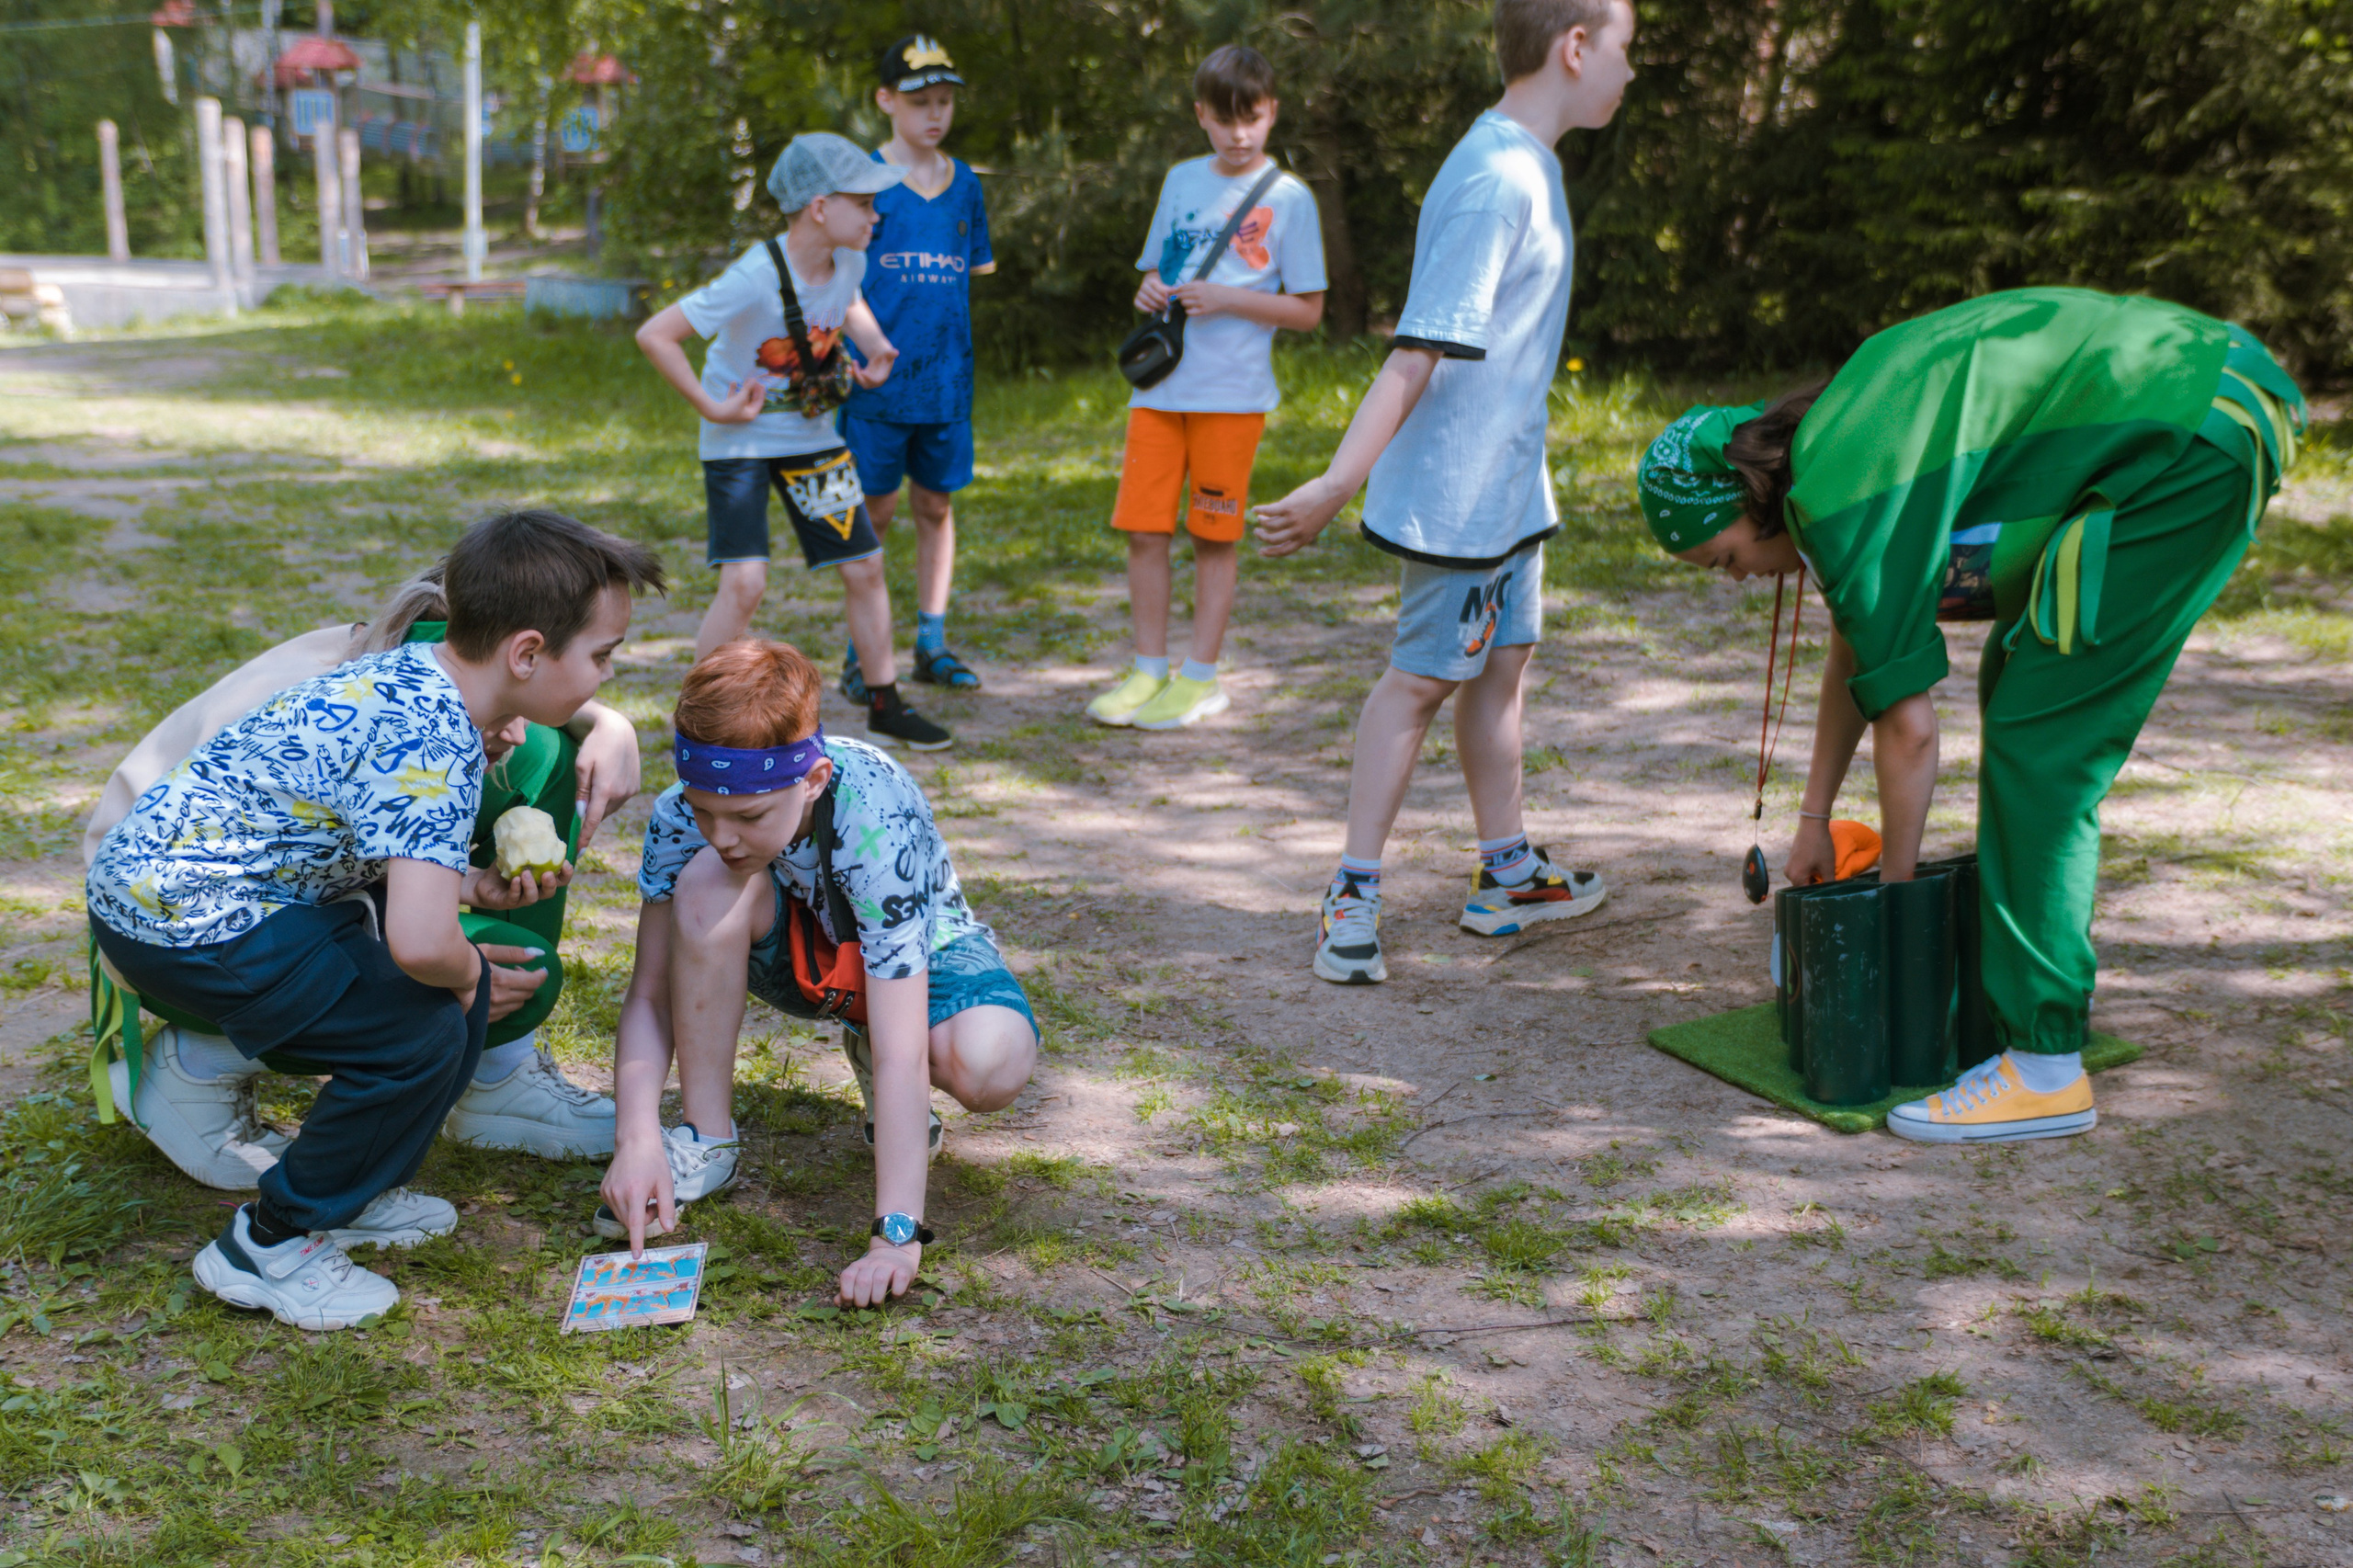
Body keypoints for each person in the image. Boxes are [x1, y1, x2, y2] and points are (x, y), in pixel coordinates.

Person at [1640, 286, 2303, 1143]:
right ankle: (2026, 999)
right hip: (2202, 389)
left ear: (1748, 497)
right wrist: (1813, 822)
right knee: (2020, 669)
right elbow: (1859, 651)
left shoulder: (1841, 494)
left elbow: (1909, 731)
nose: (1736, 578)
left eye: (1723, 558)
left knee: (2041, 738)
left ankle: (2045, 1067)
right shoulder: (1843, 447)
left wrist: (1894, 904)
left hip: (2189, 428)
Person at [86, 512, 665, 1330]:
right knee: (421, 1029)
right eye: (603, 656)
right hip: (183, 920)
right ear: (528, 653)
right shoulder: (432, 737)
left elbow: (369, 842)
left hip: (181, 894)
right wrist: (468, 973)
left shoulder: (417, 681)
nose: (606, 677)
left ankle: (346, 1194)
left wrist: (468, 888)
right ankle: (267, 1243)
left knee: (429, 1012)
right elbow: (423, 945)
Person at [1253, 0, 1633, 982]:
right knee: (1421, 681)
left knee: (1503, 667)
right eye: (1625, 50)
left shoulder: (1530, 163)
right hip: (1459, 498)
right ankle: (1352, 889)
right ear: (1576, 46)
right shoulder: (1493, 177)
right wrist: (1340, 479)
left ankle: (1505, 868)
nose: (1631, 72)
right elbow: (1415, 349)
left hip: (1509, 486)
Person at [596, 640, 1037, 1307]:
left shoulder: (873, 818)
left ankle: (868, 1053)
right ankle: (707, 1138)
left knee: (990, 1064)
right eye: (703, 807)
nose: (722, 833)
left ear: (813, 780)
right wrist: (635, 1140)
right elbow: (650, 996)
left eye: (747, 816)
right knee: (707, 882)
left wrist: (896, 1235)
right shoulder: (685, 822)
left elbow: (902, 1050)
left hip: (922, 957)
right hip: (804, 952)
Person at [636, 131, 955, 753]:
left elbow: (847, 301)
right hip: (740, 446)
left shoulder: (852, 261)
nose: (875, 214)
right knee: (746, 583)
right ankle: (701, 719)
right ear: (819, 207)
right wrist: (711, 407)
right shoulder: (753, 277)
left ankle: (884, 701)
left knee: (864, 565)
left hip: (810, 439)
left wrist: (876, 346)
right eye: (863, 203)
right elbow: (657, 334)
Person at [1085, 44, 1326, 732]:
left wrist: (1228, 297)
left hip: (1233, 398)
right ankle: (1147, 669)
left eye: (1252, 118)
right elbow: (1154, 274)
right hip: (1159, 392)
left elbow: (1309, 311)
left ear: (1272, 111)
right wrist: (1148, 288)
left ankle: (1201, 677)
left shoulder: (1291, 200)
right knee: (1143, 532)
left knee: (1213, 536)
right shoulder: (1182, 180)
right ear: (1200, 115)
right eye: (1224, 120)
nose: (1239, 134)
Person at [838, 34, 996, 701]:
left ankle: (931, 641)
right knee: (876, 511)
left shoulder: (966, 189)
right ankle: (861, 655)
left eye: (944, 102)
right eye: (919, 101)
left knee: (936, 505)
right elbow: (838, 281)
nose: (934, 114)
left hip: (946, 387)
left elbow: (967, 280)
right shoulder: (865, 183)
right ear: (885, 101)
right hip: (875, 389)